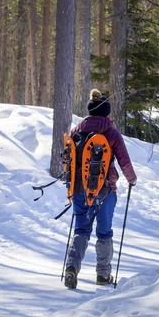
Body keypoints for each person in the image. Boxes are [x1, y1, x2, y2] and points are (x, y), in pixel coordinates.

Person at [64, 89, 137, 289]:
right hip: (105, 191)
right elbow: (124, 160)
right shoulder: (111, 133)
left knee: (81, 229)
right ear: (106, 113)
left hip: (79, 189)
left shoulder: (76, 131)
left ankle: (71, 268)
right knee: (104, 232)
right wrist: (132, 179)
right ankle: (103, 276)